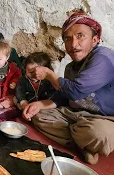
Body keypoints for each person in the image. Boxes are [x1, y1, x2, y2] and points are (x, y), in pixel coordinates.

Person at [22, 12, 114, 164]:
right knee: (39, 116)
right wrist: (39, 105)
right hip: (75, 115)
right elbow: (64, 96)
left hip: (105, 119)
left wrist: (49, 75)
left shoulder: (103, 58)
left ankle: (83, 139)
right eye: (68, 39)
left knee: (98, 134)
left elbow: (76, 90)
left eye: (80, 36)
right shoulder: (71, 67)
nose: (73, 44)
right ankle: (83, 144)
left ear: (94, 40)